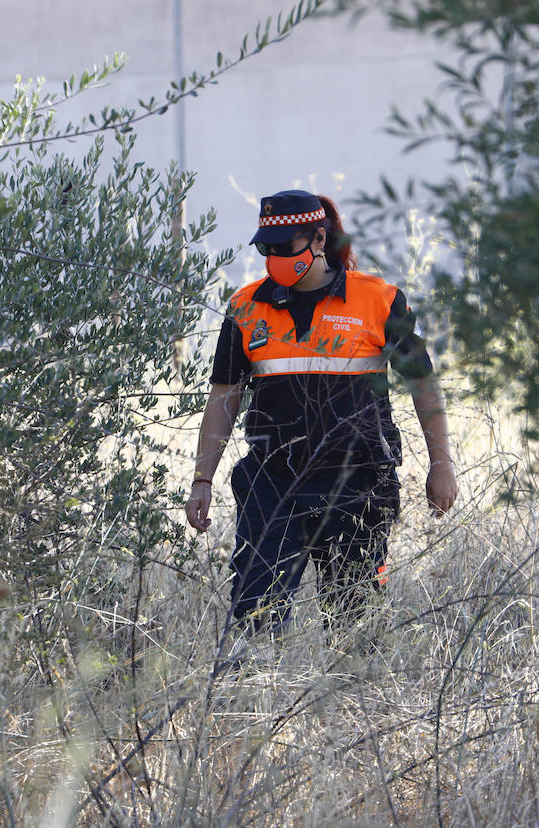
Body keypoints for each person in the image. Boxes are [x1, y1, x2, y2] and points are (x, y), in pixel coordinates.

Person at [185, 189, 458, 642]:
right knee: (255, 615)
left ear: (317, 238)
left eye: (284, 246)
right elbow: (223, 400)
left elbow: (423, 384)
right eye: (266, 248)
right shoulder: (245, 307)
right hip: (271, 482)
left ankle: (355, 709)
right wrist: (202, 480)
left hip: (359, 481)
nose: (273, 258)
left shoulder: (379, 299)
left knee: (356, 625)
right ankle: (254, 703)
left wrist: (441, 463)